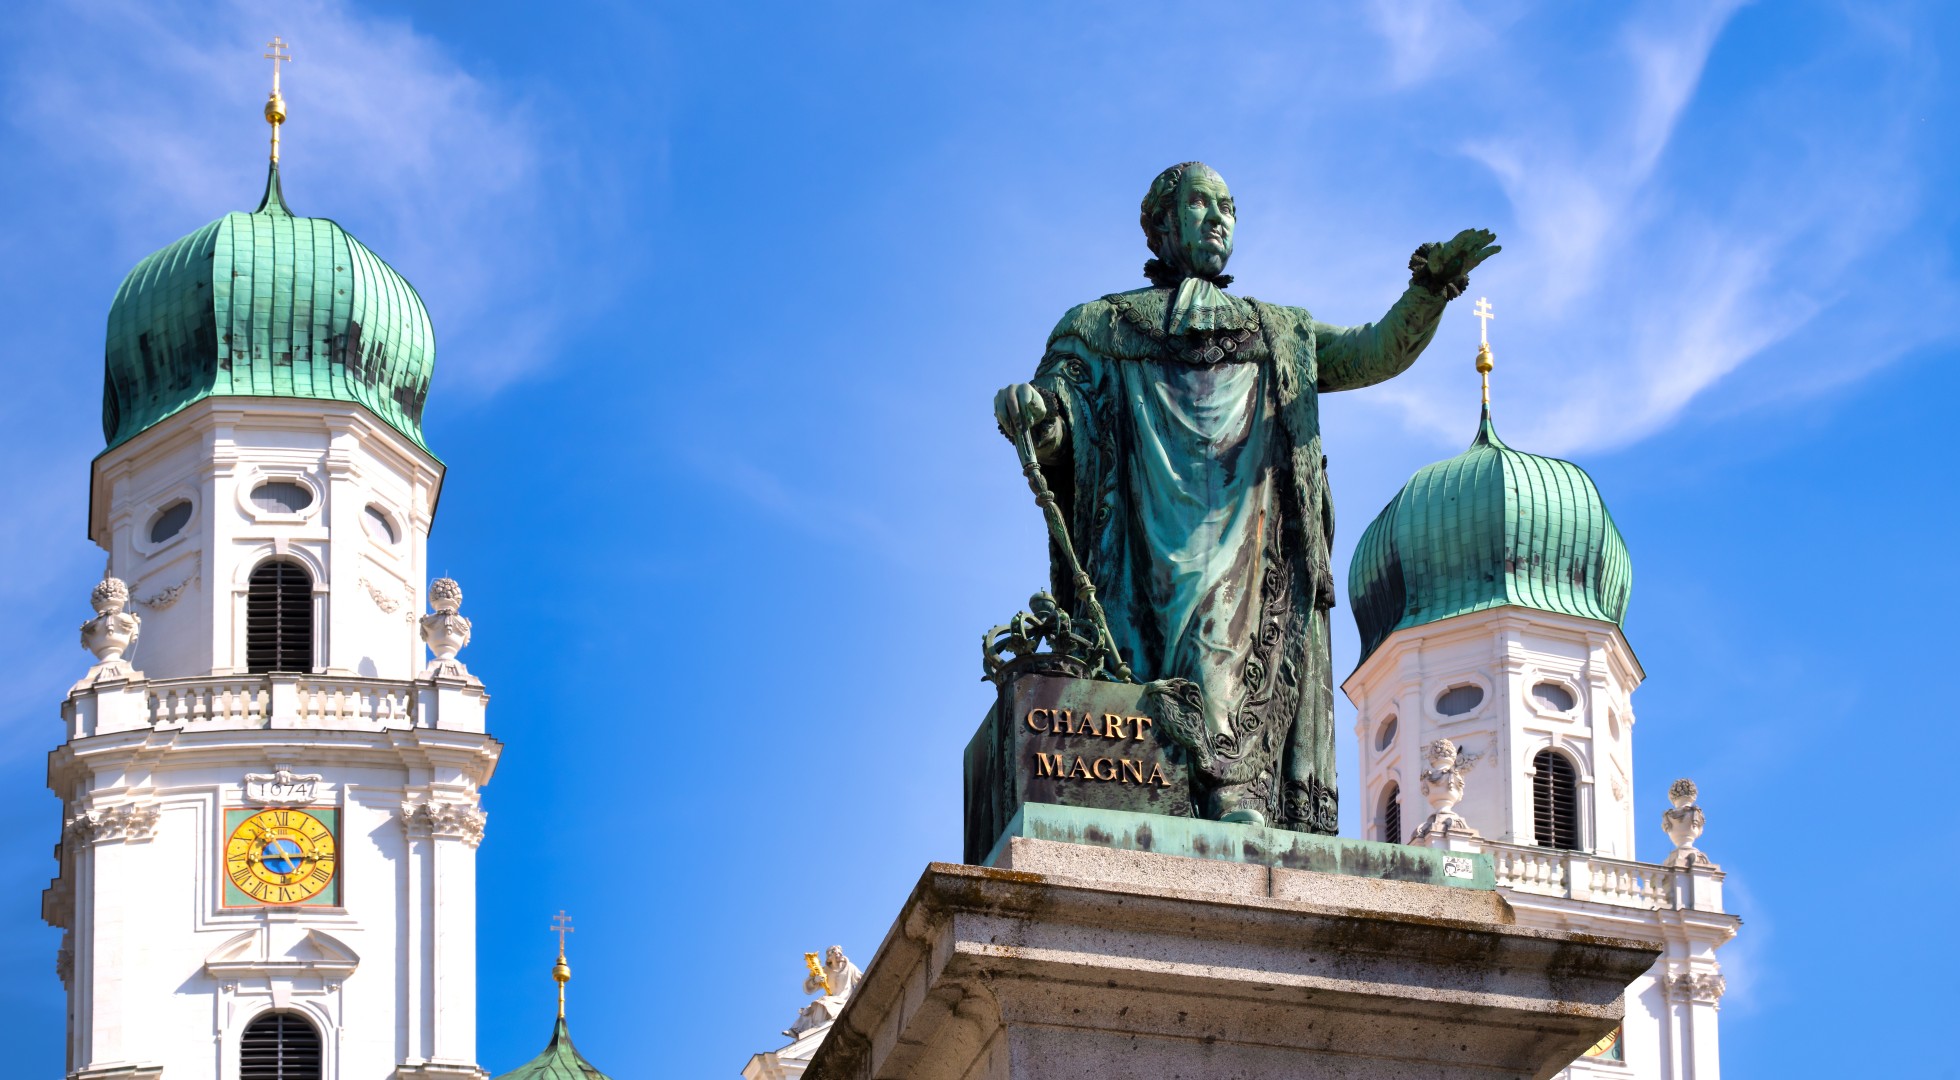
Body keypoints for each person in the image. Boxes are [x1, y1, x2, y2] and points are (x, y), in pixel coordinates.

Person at [993, 162, 1496, 832]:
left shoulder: (1276, 332)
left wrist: (1430, 290)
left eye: (1228, 208)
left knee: (1227, 646)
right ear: (1163, 224)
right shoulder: (1100, 327)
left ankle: (1235, 793)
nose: (1219, 219)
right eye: (1202, 205)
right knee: (1155, 649)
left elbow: (1373, 352)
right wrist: (1035, 412)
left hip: (1249, 538)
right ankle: (1146, 781)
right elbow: (1063, 423)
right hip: (1143, 533)